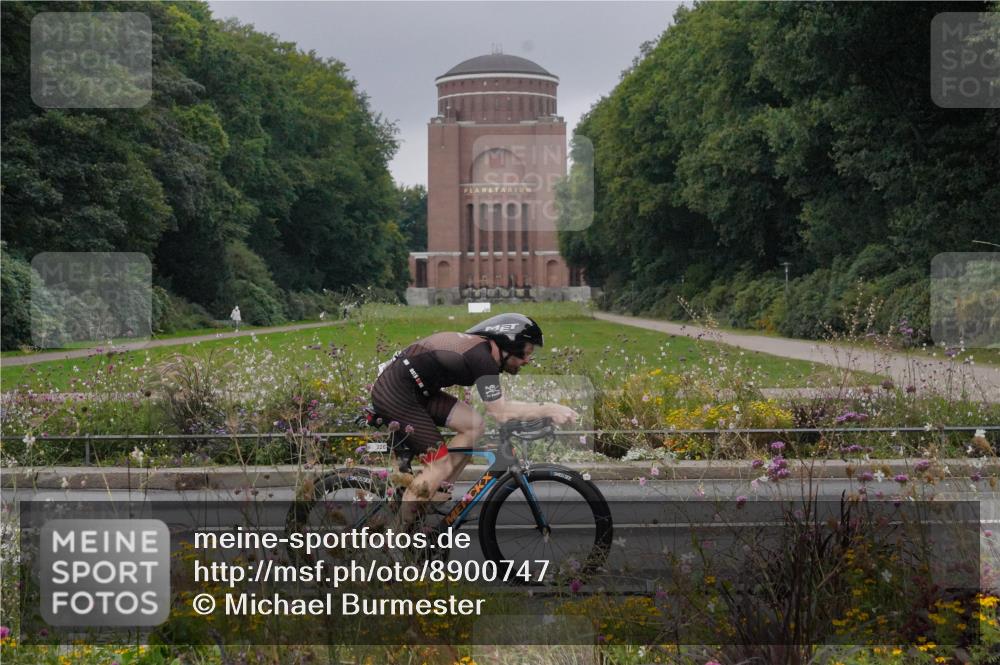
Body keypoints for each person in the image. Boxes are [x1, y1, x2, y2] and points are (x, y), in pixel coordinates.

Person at [370, 313, 577, 522]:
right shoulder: (482, 358)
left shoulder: (485, 354)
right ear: (510, 344)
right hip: (396, 392)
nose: (527, 361)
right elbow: (501, 412)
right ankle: (396, 543)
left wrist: (543, 410)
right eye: (526, 353)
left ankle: (435, 495)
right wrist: (548, 409)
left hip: (419, 390)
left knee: (474, 425)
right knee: (439, 464)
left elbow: (500, 408)